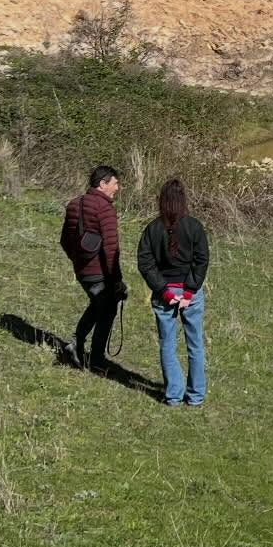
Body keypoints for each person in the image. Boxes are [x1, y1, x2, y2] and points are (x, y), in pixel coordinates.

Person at [137, 176, 210, 408]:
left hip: (164, 294)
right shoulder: (194, 227)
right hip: (190, 293)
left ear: (162, 201)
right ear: (183, 201)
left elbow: (146, 264)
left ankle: (173, 395)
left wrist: (166, 292)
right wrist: (189, 292)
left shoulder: (152, 229)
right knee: (195, 343)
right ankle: (196, 395)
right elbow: (202, 260)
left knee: (167, 344)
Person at [60, 163, 126, 372]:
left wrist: (78, 260)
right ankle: (95, 358)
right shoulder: (105, 209)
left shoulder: (74, 204)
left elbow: (64, 240)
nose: (117, 188)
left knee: (98, 306)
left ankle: (77, 346)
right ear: (102, 183)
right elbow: (110, 249)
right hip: (99, 272)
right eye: (115, 183)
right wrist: (116, 280)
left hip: (82, 270)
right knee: (107, 310)